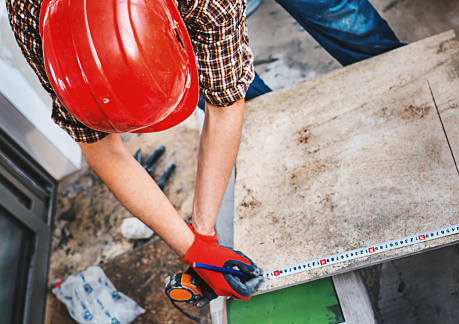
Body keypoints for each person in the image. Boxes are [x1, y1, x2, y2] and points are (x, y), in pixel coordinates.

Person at [7, 0, 402, 301]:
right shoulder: (33, 15)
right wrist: (197, 244)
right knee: (253, 107)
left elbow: (223, 104)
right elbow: (101, 149)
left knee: (341, 16)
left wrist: (205, 227)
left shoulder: (206, 4)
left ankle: (405, 90)